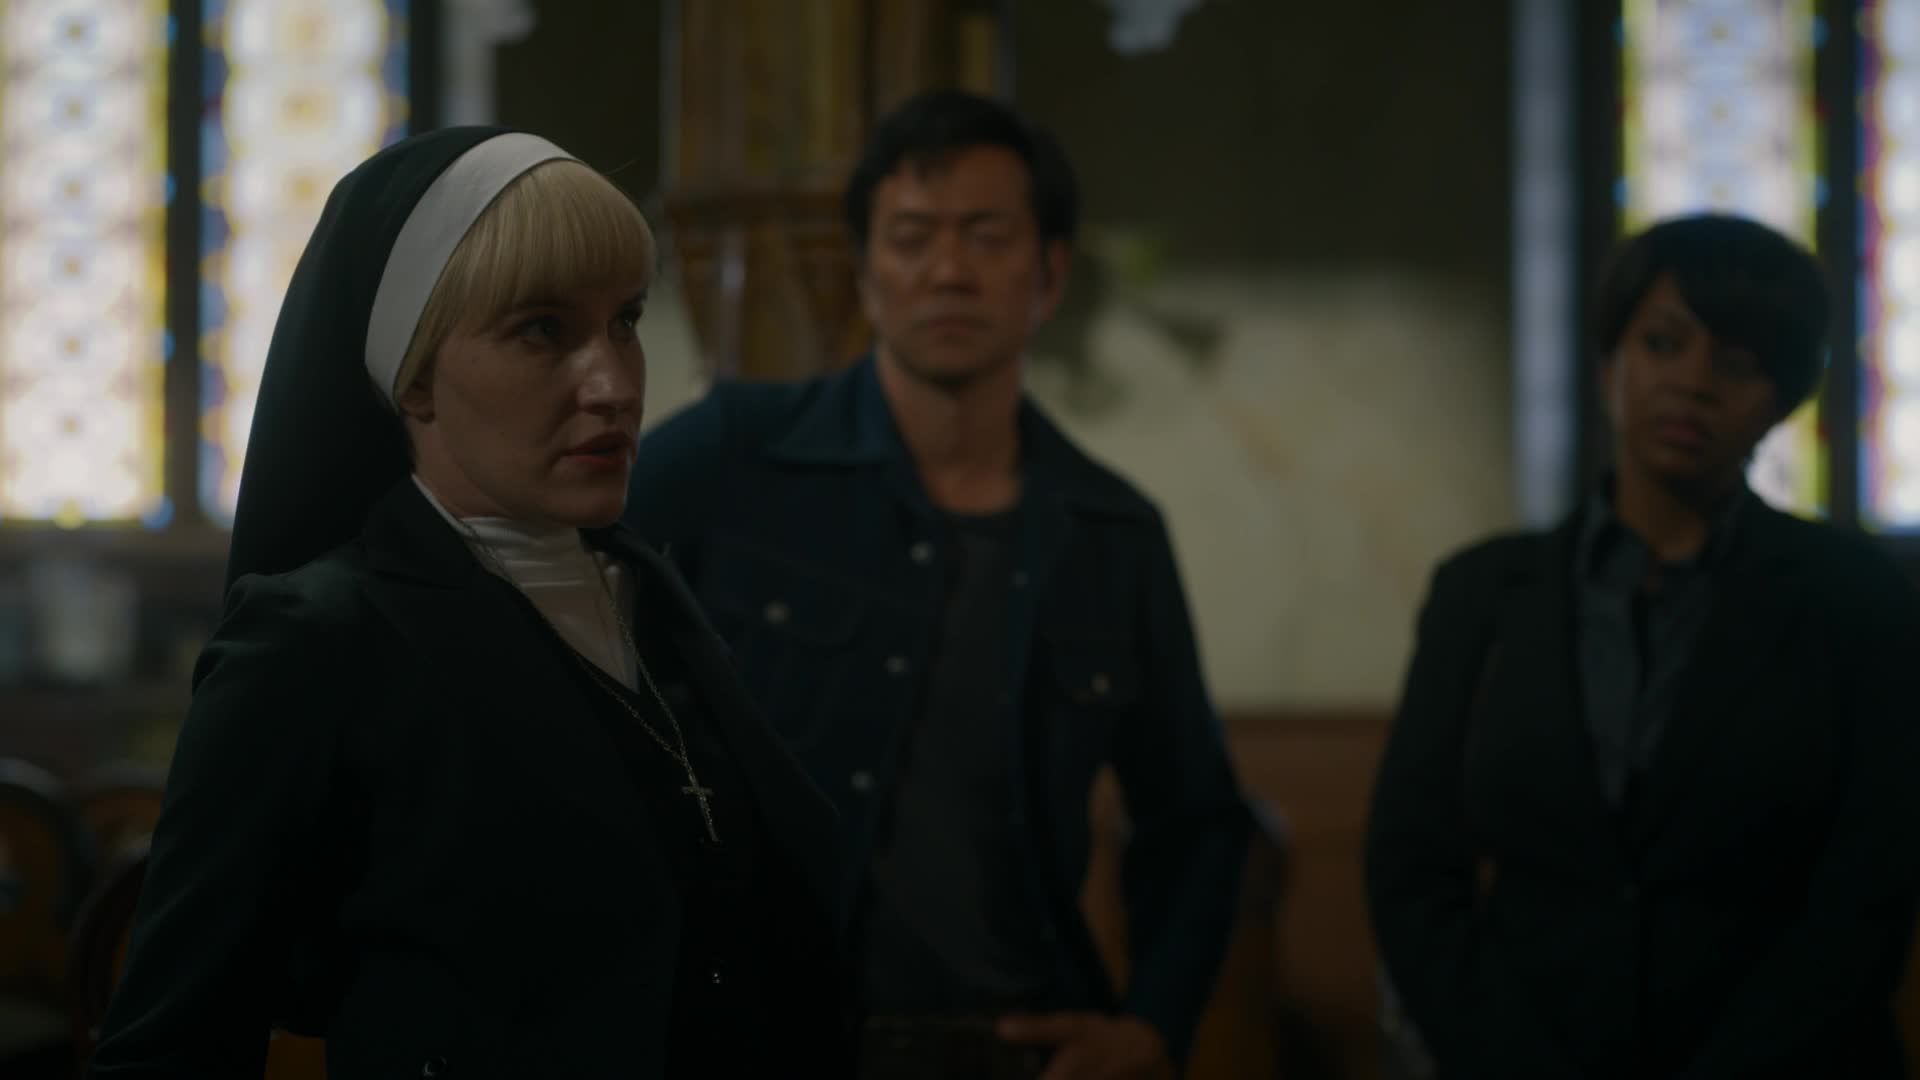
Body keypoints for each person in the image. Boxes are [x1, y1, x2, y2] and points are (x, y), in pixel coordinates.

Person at [88, 127, 851, 1078]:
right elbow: (172, 1045)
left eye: (624, 321)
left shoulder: (646, 593)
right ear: (412, 376)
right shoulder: (319, 640)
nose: (614, 385)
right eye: (543, 330)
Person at [624, 89, 1252, 1080]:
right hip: (764, 1045)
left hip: (1018, 1046)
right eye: (912, 238)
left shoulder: (1110, 533)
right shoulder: (732, 454)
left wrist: (1152, 1027)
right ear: (866, 273)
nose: (949, 271)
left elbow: (1199, 819)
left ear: (1050, 274)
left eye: (987, 237)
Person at [1366, 213, 1920, 1079]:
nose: (1693, 384)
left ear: (1782, 399)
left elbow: (1869, 885)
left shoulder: (1854, 597)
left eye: (1737, 363)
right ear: (1610, 364)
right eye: (1663, 344)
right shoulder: (1484, 594)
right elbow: (1412, 864)